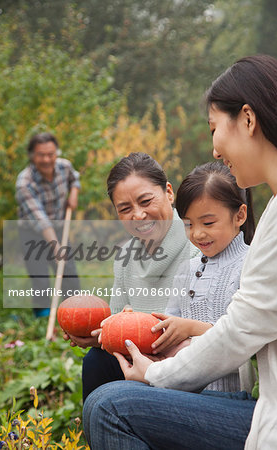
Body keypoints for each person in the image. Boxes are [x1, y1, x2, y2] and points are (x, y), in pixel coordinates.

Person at [83, 54, 277, 450]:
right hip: (269, 408)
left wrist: (156, 376)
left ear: (248, 119)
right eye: (123, 209)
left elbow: (238, 332)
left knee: (108, 406)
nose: (214, 149)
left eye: (215, 128)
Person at [64, 152, 198, 400]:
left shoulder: (200, 243)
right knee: (97, 360)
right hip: (138, 362)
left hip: (188, 363)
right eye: (125, 209)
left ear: (169, 192)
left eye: (146, 201)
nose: (138, 215)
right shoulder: (125, 257)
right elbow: (120, 326)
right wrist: (94, 336)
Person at [150, 161, 255, 393]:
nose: (197, 233)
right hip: (183, 390)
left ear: (239, 215)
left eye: (208, 223)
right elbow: (168, 326)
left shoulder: (251, 264)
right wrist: (135, 321)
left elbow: (246, 337)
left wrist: (191, 328)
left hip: (231, 396)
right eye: (188, 224)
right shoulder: (185, 269)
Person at [16, 132, 81, 317]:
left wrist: (74, 193)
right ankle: (44, 318)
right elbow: (41, 219)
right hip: (32, 232)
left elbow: (74, 178)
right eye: (41, 155)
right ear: (32, 156)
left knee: (68, 270)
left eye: (51, 154)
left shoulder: (64, 166)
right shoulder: (24, 183)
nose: (46, 159)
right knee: (40, 277)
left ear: (56, 153)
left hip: (60, 226)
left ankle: (73, 312)